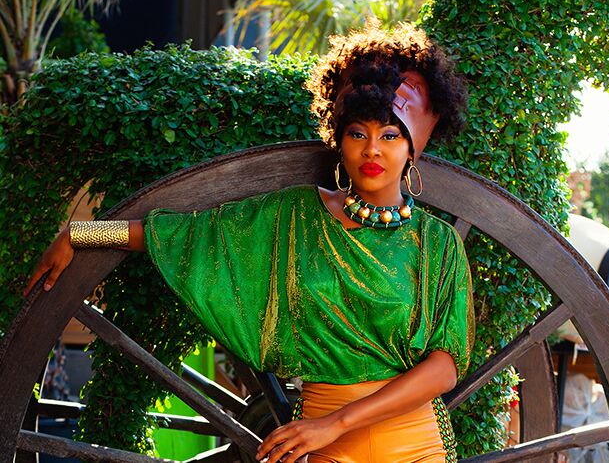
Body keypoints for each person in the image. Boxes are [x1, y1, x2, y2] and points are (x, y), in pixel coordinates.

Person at [25, 23, 474, 463]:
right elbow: (186, 235)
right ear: (339, 137)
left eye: (391, 136)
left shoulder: (437, 244)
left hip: (415, 445)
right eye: (358, 133)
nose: (372, 150)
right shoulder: (293, 216)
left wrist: (334, 423)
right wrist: (81, 234)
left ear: (413, 149)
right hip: (324, 446)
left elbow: (444, 368)